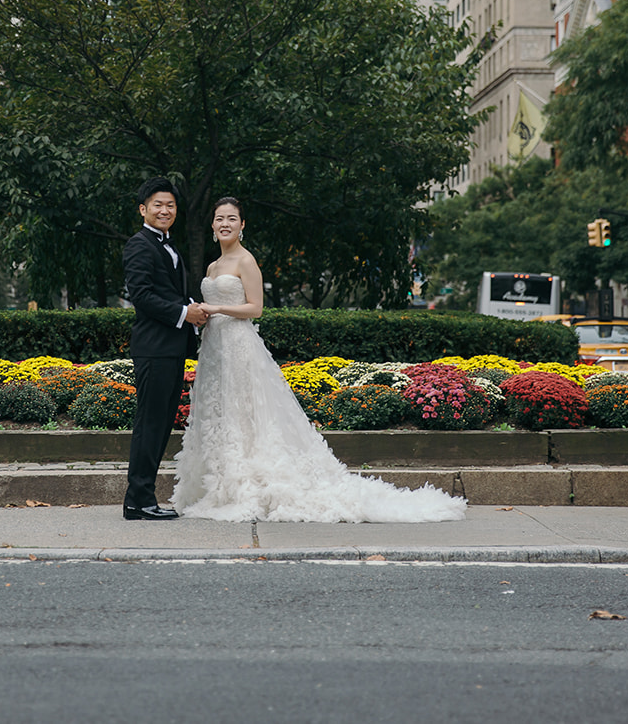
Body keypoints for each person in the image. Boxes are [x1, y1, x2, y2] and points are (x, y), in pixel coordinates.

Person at [171, 197, 465, 523]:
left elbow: (255, 309)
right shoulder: (213, 267)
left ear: (243, 225)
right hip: (214, 348)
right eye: (219, 218)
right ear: (212, 225)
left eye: (231, 218)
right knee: (220, 414)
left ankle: (245, 486)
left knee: (244, 415)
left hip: (239, 347)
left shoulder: (246, 261)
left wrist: (217, 309)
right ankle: (217, 486)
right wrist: (202, 315)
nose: (224, 223)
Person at [122, 177, 210, 520]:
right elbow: (141, 296)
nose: (164, 210)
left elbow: (168, 293)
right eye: (157, 205)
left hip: (169, 349)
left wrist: (193, 308)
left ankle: (142, 498)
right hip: (154, 349)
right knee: (150, 424)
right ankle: (138, 501)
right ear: (143, 209)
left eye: (170, 205)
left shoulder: (168, 246)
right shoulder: (140, 245)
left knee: (159, 425)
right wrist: (183, 313)